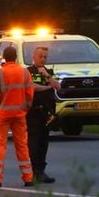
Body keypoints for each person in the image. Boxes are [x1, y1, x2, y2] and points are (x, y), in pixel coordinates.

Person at [0, 45, 34, 187]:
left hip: (2, 115)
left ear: (4, 58)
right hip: (20, 114)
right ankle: (28, 178)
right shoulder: (24, 73)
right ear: (16, 57)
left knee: (0, 146)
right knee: (22, 146)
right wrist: (25, 109)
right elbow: (30, 95)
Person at [27, 45, 60, 184]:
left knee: (44, 142)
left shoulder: (49, 71)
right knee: (33, 142)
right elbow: (31, 87)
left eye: (45, 57)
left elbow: (58, 86)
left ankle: (41, 171)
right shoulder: (28, 71)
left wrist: (46, 75)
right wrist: (47, 87)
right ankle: (33, 171)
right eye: (40, 56)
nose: (42, 59)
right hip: (34, 112)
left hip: (47, 113)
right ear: (33, 57)